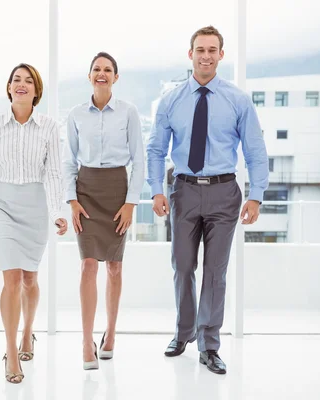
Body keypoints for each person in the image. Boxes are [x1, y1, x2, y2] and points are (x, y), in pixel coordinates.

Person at [147, 26, 269, 375]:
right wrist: (156, 189)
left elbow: (255, 151)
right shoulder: (171, 99)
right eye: (200, 49)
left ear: (221, 55)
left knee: (215, 272)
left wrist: (256, 196)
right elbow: (156, 149)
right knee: (183, 266)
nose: (206, 55)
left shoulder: (237, 99)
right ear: (190, 54)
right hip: (183, 190)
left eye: (212, 50)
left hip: (223, 192)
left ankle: (209, 343)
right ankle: (184, 331)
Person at [0, 63, 67, 384]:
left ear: (36, 90)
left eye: (28, 80)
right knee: (11, 278)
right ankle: (11, 352)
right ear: (9, 87)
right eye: (17, 79)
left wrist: (58, 211)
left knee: (30, 278)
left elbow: (54, 172)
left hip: (35, 207)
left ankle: (28, 331)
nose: (22, 84)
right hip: (1, 205)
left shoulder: (50, 127)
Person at [62, 52, 144, 370]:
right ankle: (86, 341)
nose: (102, 73)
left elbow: (138, 159)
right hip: (86, 189)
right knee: (87, 266)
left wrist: (130, 203)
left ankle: (110, 334)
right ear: (89, 76)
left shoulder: (128, 112)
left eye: (107, 70)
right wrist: (71, 200)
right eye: (96, 69)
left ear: (115, 77)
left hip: (116, 190)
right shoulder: (75, 114)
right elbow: (69, 159)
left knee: (115, 268)